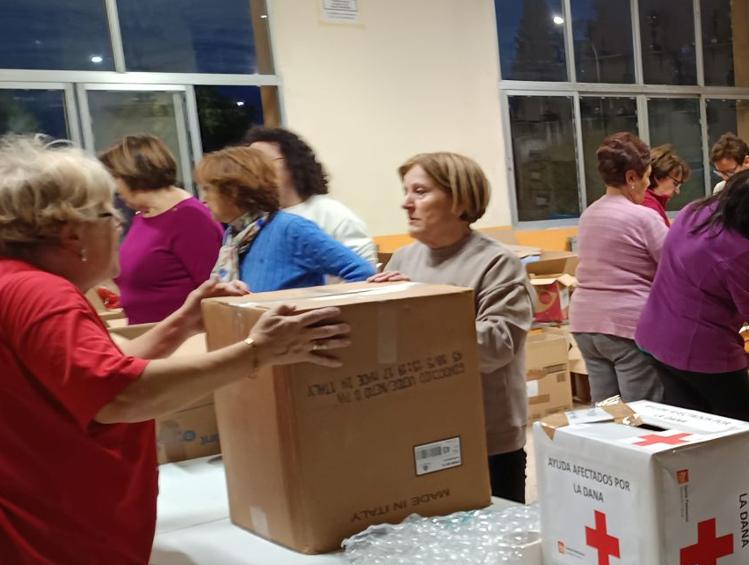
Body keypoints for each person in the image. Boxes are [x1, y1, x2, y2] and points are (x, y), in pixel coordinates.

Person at [0, 135, 350, 565]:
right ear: (72, 232)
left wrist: (186, 321)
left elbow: (94, 372)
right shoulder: (39, 295)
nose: (120, 231)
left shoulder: (16, 286)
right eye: (111, 218)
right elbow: (115, 395)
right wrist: (257, 352)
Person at [368, 152, 533, 503]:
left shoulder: (497, 263)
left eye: (420, 191)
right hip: (420, 426)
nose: (406, 203)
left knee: (497, 544)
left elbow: (496, 348)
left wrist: (415, 309)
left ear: (459, 200)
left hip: (486, 433)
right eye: (406, 191)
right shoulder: (403, 259)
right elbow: (389, 346)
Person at [635, 169, 749, 423]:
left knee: (689, 430)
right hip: (701, 351)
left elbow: (702, 282)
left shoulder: (692, 212)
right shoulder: (738, 250)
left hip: (657, 339)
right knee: (739, 431)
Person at [570, 132, 668, 403]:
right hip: (626, 326)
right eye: (647, 177)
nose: (648, 185)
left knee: (608, 412)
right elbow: (675, 266)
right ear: (631, 177)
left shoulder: (589, 214)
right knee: (642, 416)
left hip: (585, 323)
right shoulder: (643, 217)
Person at [195, 146, 375, 292]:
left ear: (233, 191)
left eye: (207, 189)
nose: (202, 199)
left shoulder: (291, 229)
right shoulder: (234, 238)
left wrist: (323, 315)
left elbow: (362, 272)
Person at [98, 134, 222, 324]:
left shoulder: (190, 218)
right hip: (148, 336)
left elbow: (215, 292)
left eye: (114, 177)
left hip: (185, 340)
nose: (114, 188)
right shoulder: (144, 215)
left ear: (132, 174)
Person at [245, 126, 378, 266]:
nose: (254, 171)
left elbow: (365, 270)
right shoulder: (255, 220)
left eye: (263, 162)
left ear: (293, 163)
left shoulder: (331, 214)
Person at [642, 145, 691, 226]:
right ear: (659, 176)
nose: (677, 191)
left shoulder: (648, 202)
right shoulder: (650, 208)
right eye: (675, 183)